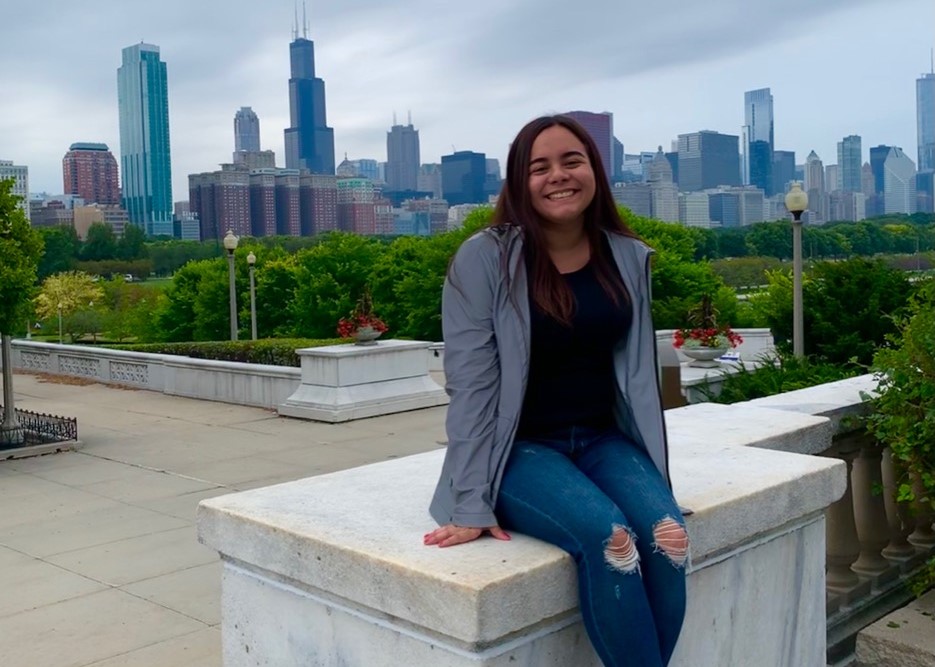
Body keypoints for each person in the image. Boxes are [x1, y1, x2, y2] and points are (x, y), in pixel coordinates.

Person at [423, 115, 689, 667]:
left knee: (668, 537)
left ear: (595, 170)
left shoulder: (625, 256)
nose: (557, 176)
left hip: (603, 440)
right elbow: (470, 387)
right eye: (538, 167)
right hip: (519, 450)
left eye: (572, 161)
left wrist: (654, 484)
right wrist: (470, 501)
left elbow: (637, 380)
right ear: (519, 183)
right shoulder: (485, 258)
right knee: (612, 541)